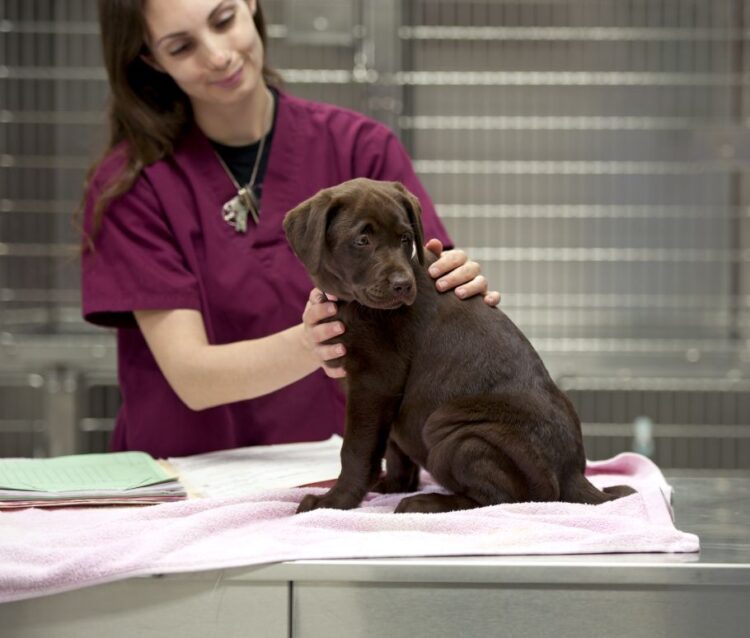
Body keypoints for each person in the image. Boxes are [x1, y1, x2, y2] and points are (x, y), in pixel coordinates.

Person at [80, 0, 501, 459]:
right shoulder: (134, 186)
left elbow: (421, 293)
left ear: (250, 4)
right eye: (181, 47)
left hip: (339, 473)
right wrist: (313, 342)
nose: (218, 55)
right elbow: (192, 377)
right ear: (150, 59)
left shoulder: (362, 150)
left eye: (224, 20)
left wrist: (456, 289)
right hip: (193, 478)